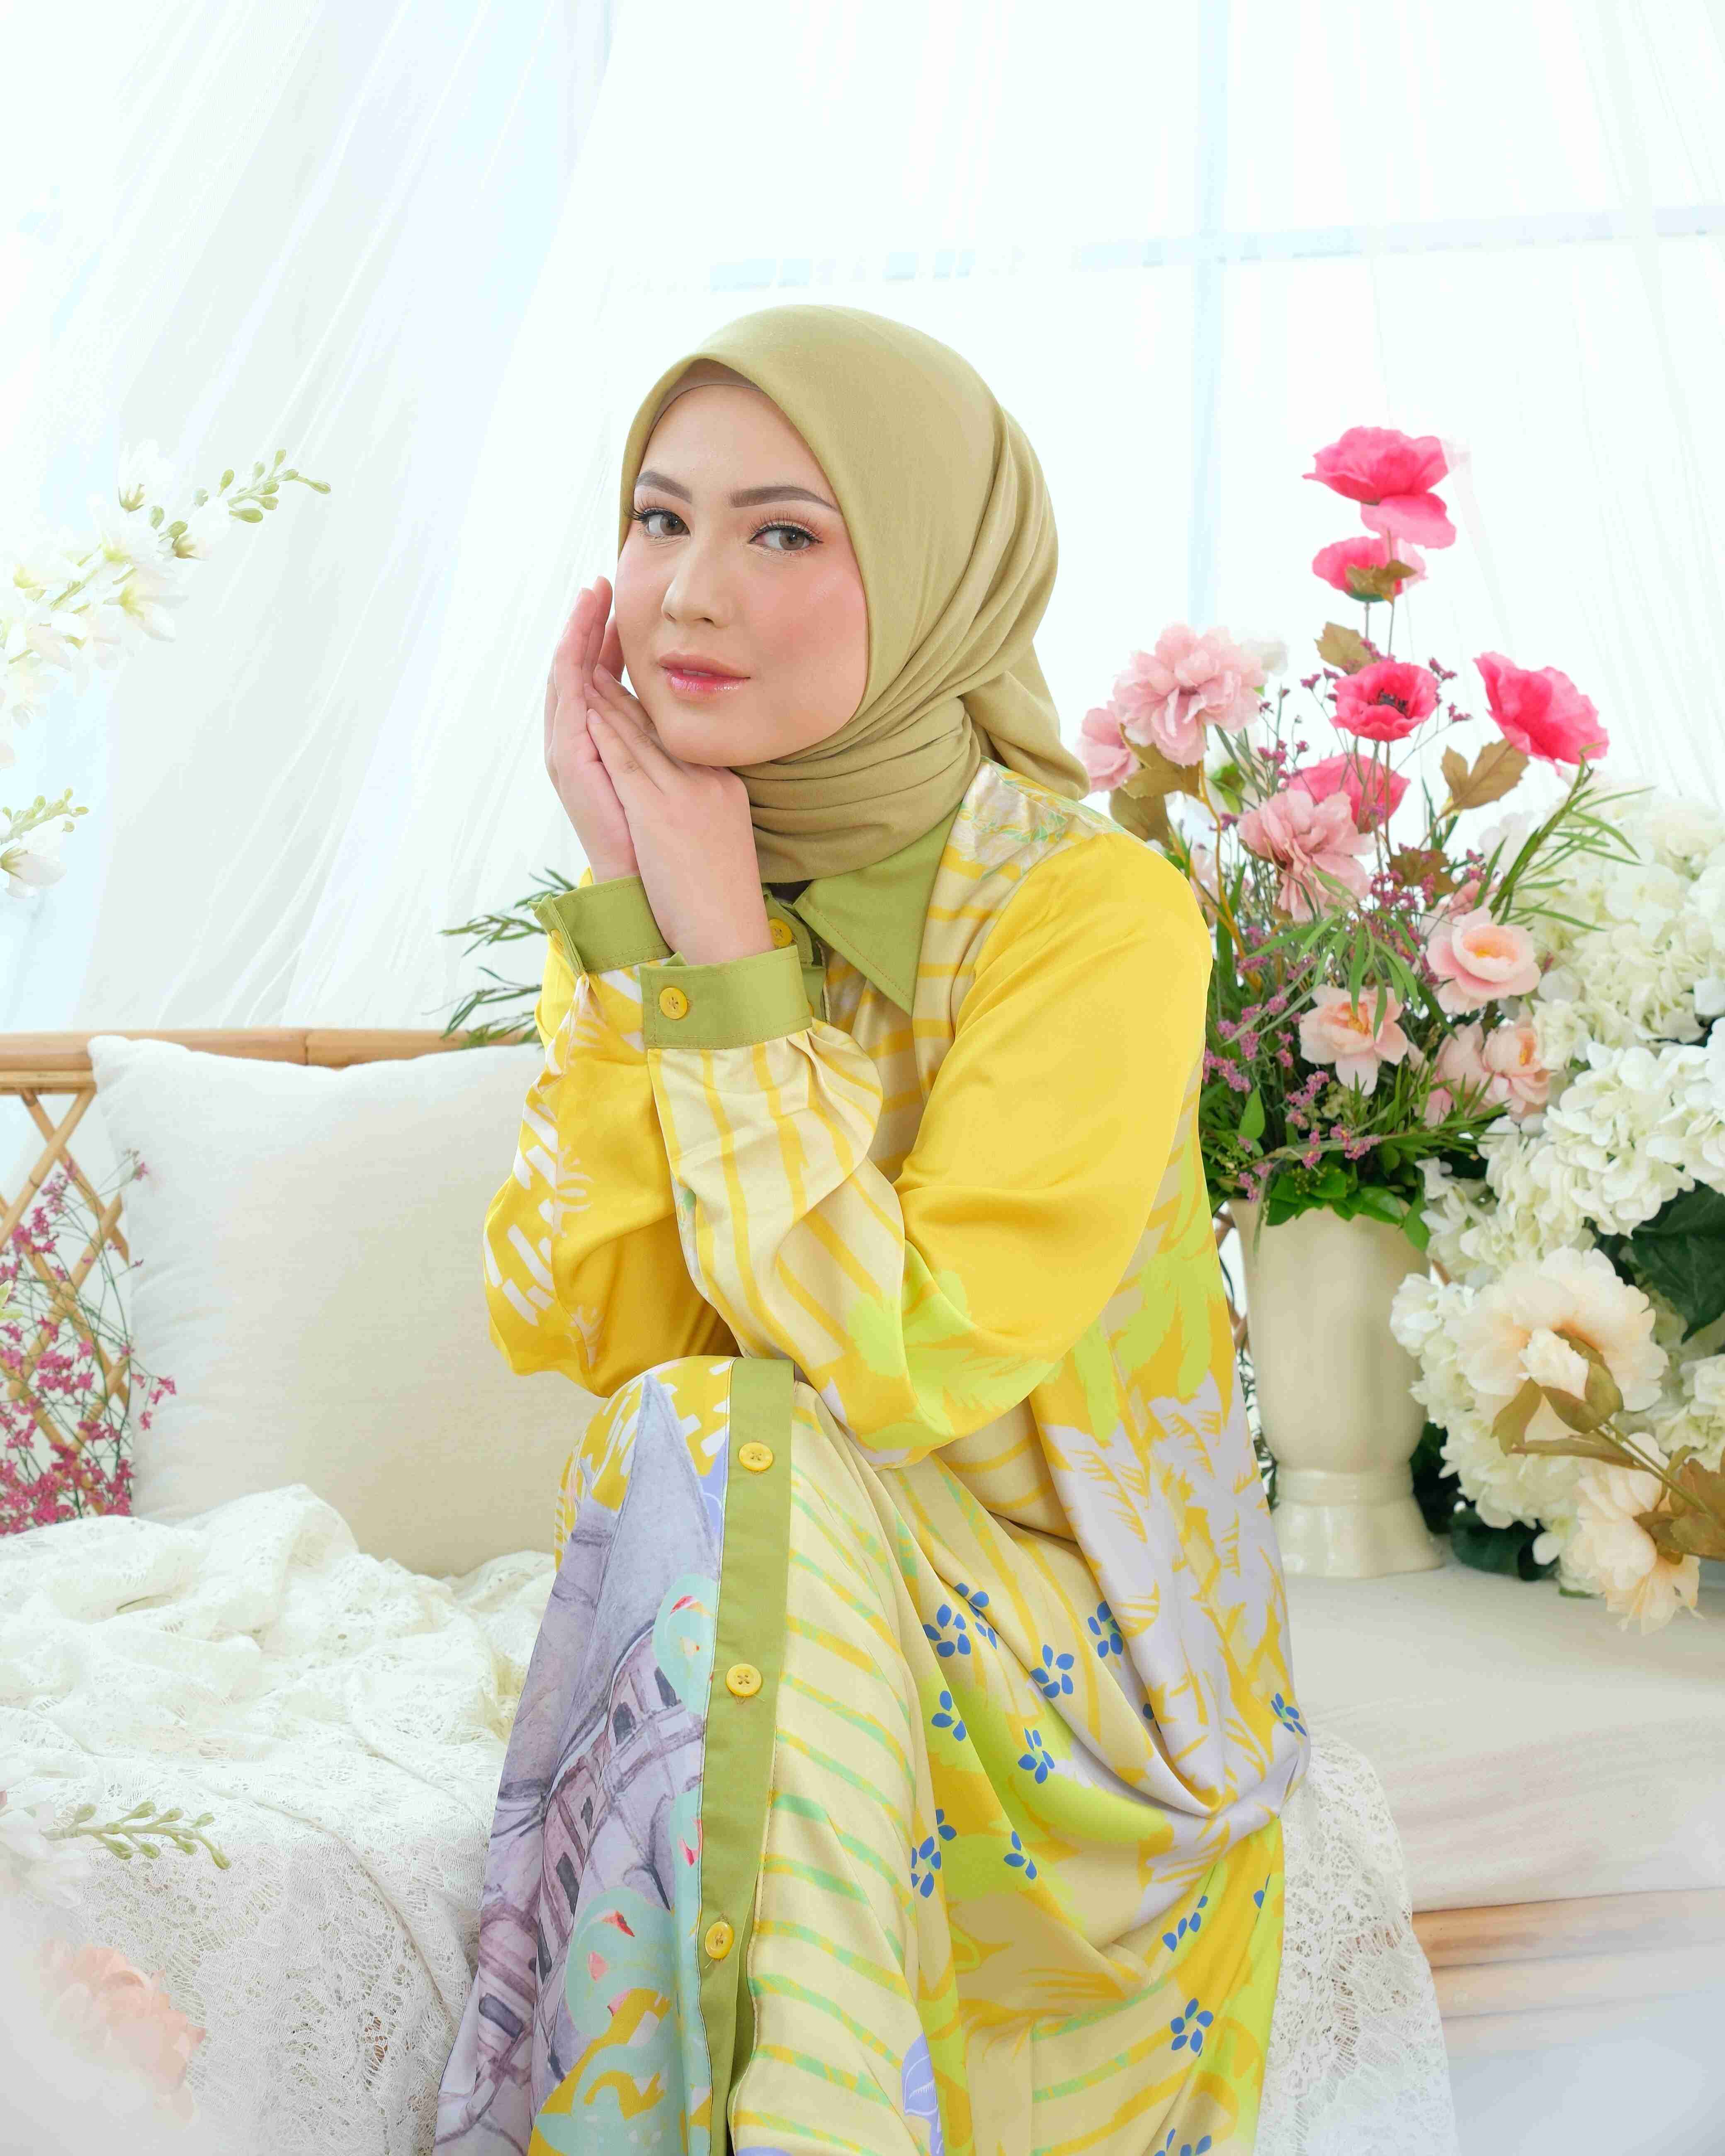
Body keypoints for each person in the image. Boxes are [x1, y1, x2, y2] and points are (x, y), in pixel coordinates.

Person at [435, 303, 1308, 2156]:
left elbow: (910, 1360)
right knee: (701, 1425)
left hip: (1090, 1698)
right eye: (659, 520)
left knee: (727, 1430)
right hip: (803, 1578)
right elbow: (601, 1334)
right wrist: (639, 911)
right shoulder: (690, 882)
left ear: (930, 574)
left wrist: (721, 962)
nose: (689, 593)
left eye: (783, 532)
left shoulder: (1092, 916)